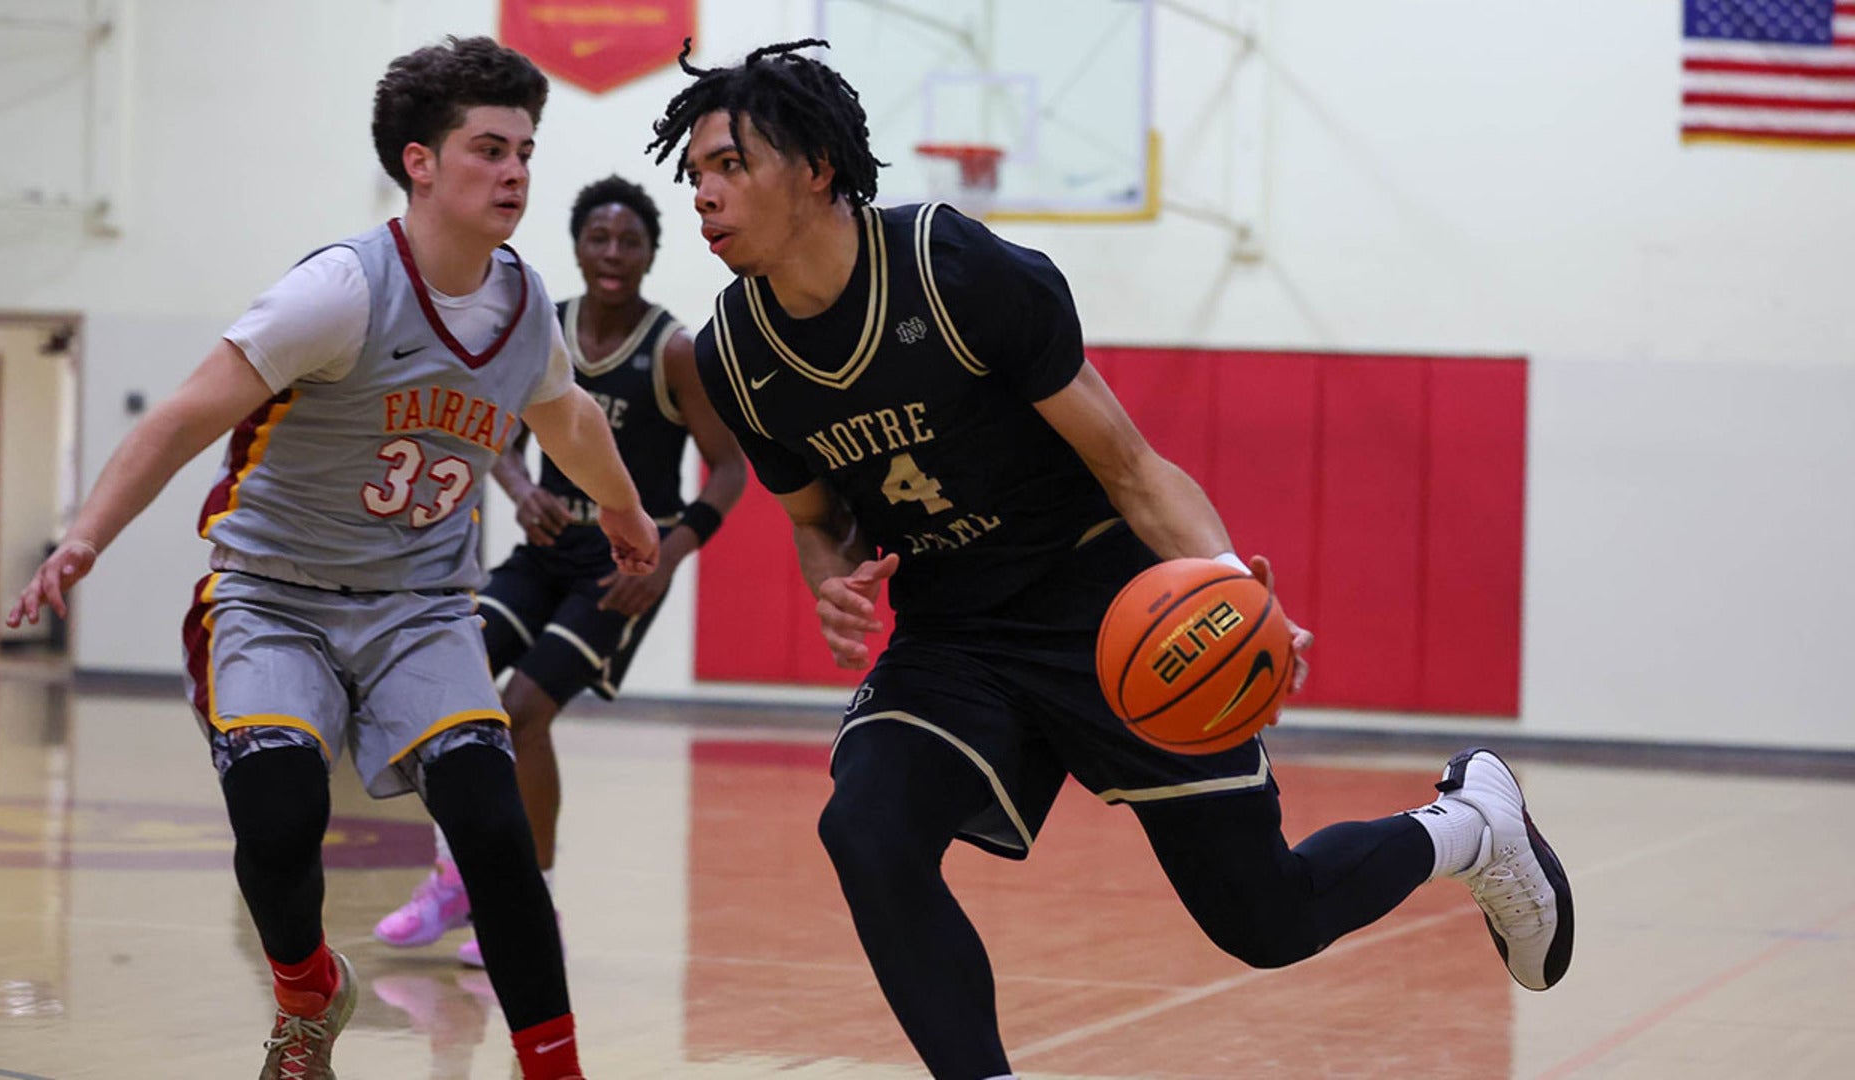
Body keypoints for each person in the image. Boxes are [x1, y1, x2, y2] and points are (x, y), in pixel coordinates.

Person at [645, 39, 1573, 1080]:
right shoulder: (733, 355)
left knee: (1266, 922)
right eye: (696, 176)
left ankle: (1468, 827)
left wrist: (1230, 594)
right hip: (958, 631)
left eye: (731, 166)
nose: (705, 196)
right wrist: (835, 584)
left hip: (1108, 602)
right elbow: (819, 521)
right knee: (866, 830)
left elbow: (1130, 465)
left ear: (816, 166)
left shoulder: (953, 271)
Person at [6, 36, 656, 1080]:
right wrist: (84, 537)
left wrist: (626, 513)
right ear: (420, 162)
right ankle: (308, 991)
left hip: (422, 605)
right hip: (274, 596)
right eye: (488, 149)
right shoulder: (341, 290)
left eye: (526, 150)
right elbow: (179, 418)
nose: (516, 173)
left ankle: (554, 1070)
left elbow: (567, 414)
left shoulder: (527, 303)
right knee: (281, 816)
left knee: (493, 825)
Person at [373, 174, 748, 967]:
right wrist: (514, 488)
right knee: (447, 685)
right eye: (599, 239)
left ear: (651, 252)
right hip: (545, 552)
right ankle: (455, 879)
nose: (613, 253)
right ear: (577, 246)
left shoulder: (674, 348)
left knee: (524, 711)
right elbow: (500, 436)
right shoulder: (544, 325)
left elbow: (725, 471)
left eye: (630, 241)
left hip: (622, 565)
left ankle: (530, 904)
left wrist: (666, 565)